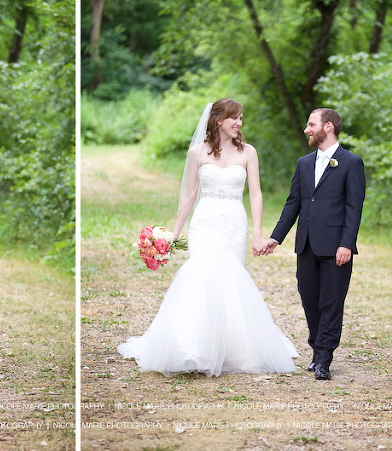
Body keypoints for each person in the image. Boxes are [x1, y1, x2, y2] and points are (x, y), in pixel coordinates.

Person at [118, 99, 299, 376]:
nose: (239, 123)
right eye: (234, 118)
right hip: (204, 223)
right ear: (218, 121)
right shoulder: (196, 153)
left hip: (234, 223)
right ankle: (193, 348)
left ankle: (231, 348)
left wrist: (258, 233)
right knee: (200, 276)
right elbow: (189, 195)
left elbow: (256, 194)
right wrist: (172, 236)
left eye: (240, 118)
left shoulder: (248, 152)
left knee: (230, 280)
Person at [261, 108, 366, 381]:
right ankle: (317, 346)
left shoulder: (351, 163)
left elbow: (354, 209)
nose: (307, 129)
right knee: (309, 300)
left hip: (335, 249)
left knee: (331, 303)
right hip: (306, 245)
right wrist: (276, 237)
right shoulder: (304, 163)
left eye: (311, 124)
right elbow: (293, 203)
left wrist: (346, 244)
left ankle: (323, 358)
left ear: (328, 127)